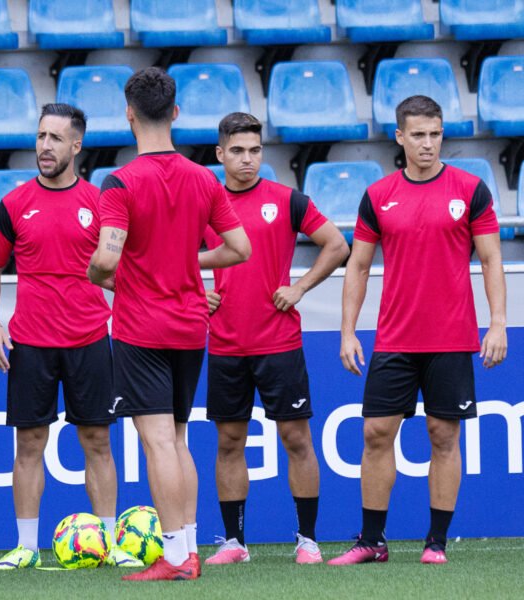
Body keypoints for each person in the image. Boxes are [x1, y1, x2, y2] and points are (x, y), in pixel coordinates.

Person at [88, 67, 251, 581]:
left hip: (142, 327)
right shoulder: (204, 177)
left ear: (129, 114)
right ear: (175, 113)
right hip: (189, 326)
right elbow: (239, 249)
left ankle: (177, 557)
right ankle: (188, 548)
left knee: (157, 440)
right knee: (178, 438)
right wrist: (186, 261)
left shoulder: (120, 182)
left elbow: (106, 261)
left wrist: (95, 272)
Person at [330, 95, 507, 566]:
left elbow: (491, 259)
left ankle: (436, 543)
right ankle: (372, 541)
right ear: (400, 137)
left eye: (435, 134)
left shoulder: (471, 189)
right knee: (375, 434)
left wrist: (498, 323)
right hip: (395, 338)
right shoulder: (379, 194)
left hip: (451, 337)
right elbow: (358, 266)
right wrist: (347, 331)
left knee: (443, 436)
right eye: (419, 135)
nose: (429, 144)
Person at [0, 103, 137, 570]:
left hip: (90, 339)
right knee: (29, 444)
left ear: (76, 145)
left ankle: (106, 543)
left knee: (98, 442)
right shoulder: (13, 203)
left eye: (55, 138)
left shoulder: (99, 202)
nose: (44, 146)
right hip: (30, 343)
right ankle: (27, 546)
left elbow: (118, 273)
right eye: (40, 136)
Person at [203, 112, 349, 566]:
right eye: (239, 151)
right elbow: (172, 256)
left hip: (278, 342)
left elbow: (337, 245)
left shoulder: (286, 200)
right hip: (225, 343)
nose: (248, 159)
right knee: (229, 442)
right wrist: (194, 290)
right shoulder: (202, 203)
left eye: (255, 150)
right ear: (220, 154)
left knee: (297, 439)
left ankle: (307, 540)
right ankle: (234, 543)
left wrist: (300, 286)